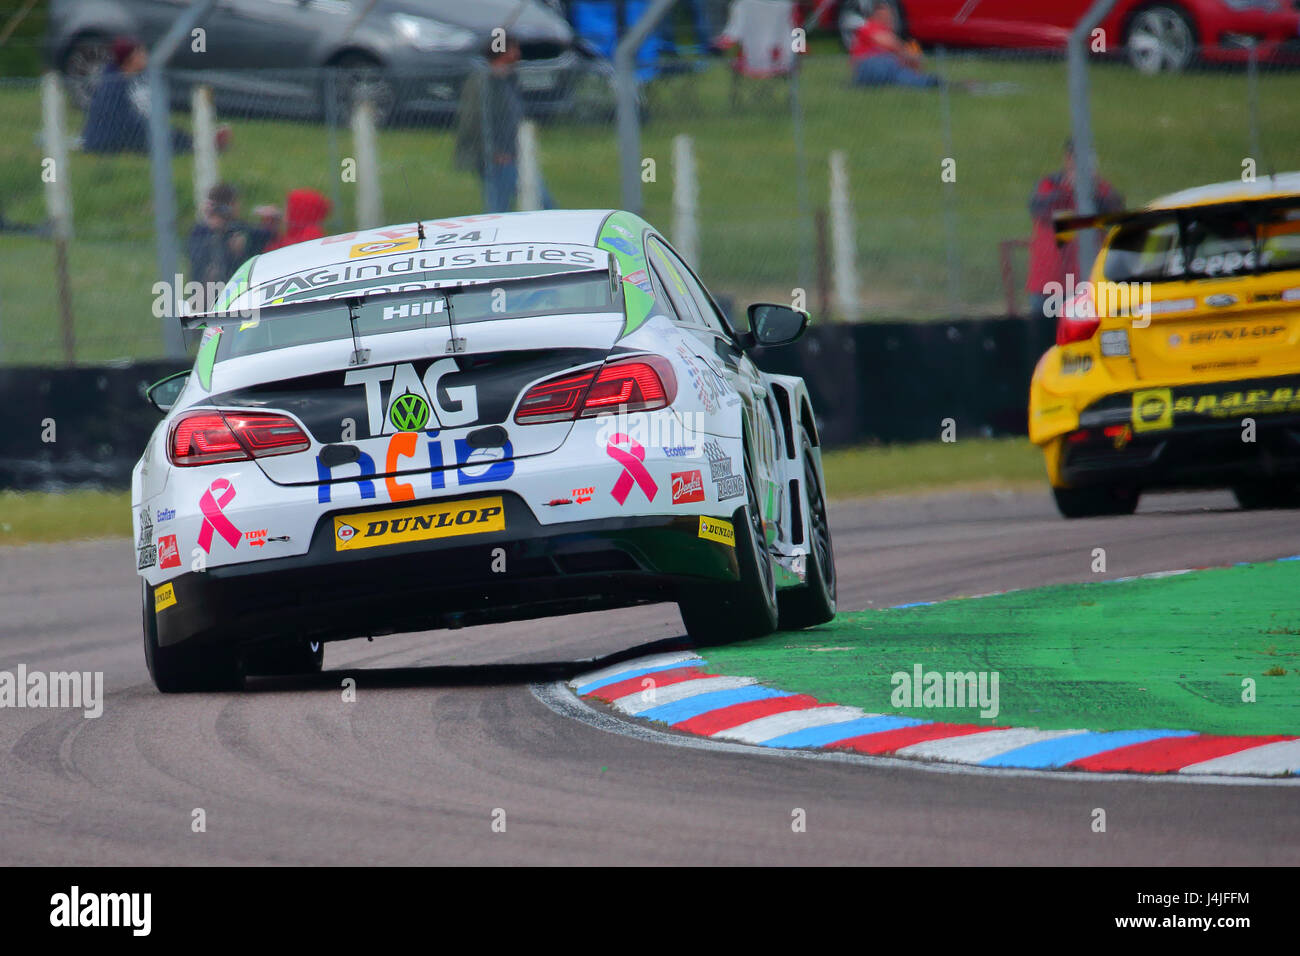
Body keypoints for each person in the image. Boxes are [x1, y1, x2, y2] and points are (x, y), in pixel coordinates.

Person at [1026, 139, 1125, 351]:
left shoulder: (1099, 188)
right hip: (1047, 281)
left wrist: (1092, 190)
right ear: (1068, 159)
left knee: (1085, 341)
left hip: (1084, 282)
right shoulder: (1050, 184)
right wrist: (1067, 190)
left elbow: (1115, 211)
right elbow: (1038, 208)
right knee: (1044, 342)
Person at [454, 37, 553, 214]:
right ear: (502, 52)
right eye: (513, 48)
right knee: (499, 211)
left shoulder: (508, 79)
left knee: (543, 202)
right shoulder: (483, 83)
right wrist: (492, 153)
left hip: (516, 156)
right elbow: (473, 122)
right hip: (498, 160)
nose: (518, 54)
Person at [82, 37, 230, 155]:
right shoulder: (112, 85)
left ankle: (201, 142)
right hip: (110, 141)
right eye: (140, 53)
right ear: (130, 59)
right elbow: (122, 120)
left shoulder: (133, 79)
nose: (145, 56)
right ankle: (203, 144)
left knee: (166, 134)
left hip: (130, 133)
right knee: (162, 137)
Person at [187, 183, 274, 305]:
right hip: (208, 297)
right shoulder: (201, 232)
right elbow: (200, 262)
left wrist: (269, 221)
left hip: (236, 294)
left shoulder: (237, 228)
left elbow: (265, 236)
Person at [849, 5, 939, 89]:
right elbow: (888, 43)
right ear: (875, 15)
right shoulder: (869, 27)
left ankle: (927, 81)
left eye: (890, 16)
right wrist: (908, 54)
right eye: (885, 16)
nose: (889, 19)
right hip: (870, 64)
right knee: (893, 67)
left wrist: (910, 59)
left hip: (883, 66)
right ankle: (927, 82)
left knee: (897, 68)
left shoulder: (887, 32)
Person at [264, 189, 331, 252]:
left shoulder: (311, 236)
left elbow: (278, 253)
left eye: (289, 208)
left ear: (299, 212)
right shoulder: (298, 233)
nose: (284, 213)